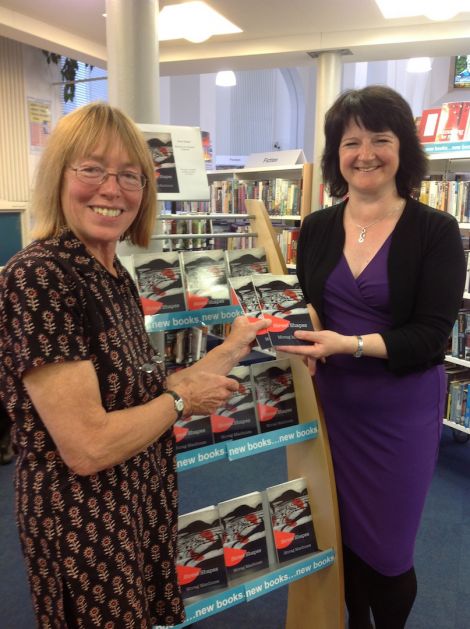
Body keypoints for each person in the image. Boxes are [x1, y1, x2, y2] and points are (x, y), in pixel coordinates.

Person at [0, 102, 267, 628]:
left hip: (135, 498)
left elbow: (134, 393)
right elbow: (88, 445)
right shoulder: (41, 276)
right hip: (85, 520)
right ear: (59, 176)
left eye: (130, 175)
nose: (112, 189)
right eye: (92, 168)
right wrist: (184, 400)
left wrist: (235, 345)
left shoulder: (111, 268)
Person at [277, 85, 466, 629]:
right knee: (334, 537)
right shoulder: (314, 228)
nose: (365, 153)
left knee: (388, 556)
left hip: (398, 412)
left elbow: (433, 336)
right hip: (326, 408)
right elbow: (307, 306)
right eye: (350, 141)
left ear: (402, 148)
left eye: (380, 139)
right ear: (336, 154)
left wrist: (348, 344)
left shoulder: (435, 231)